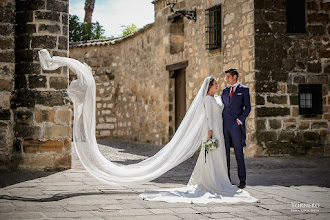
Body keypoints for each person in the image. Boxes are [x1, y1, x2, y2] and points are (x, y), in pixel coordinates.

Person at [38, 49, 257, 203]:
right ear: (209, 86)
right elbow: (209, 118)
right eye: (217, 82)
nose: (220, 83)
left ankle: (224, 180)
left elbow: (236, 109)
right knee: (215, 159)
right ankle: (217, 182)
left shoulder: (221, 96)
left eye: (222, 80)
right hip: (214, 133)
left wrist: (234, 121)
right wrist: (209, 135)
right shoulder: (209, 99)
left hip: (225, 130)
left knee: (226, 157)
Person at [221, 68, 251, 189]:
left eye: (228, 77)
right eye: (226, 77)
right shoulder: (225, 91)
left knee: (239, 153)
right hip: (225, 126)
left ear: (234, 77)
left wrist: (239, 120)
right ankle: (226, 179)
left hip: (236, 126)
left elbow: (248, 108)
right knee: (225, 154)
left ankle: (242, 180)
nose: (226, 79)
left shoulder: (244, 90)